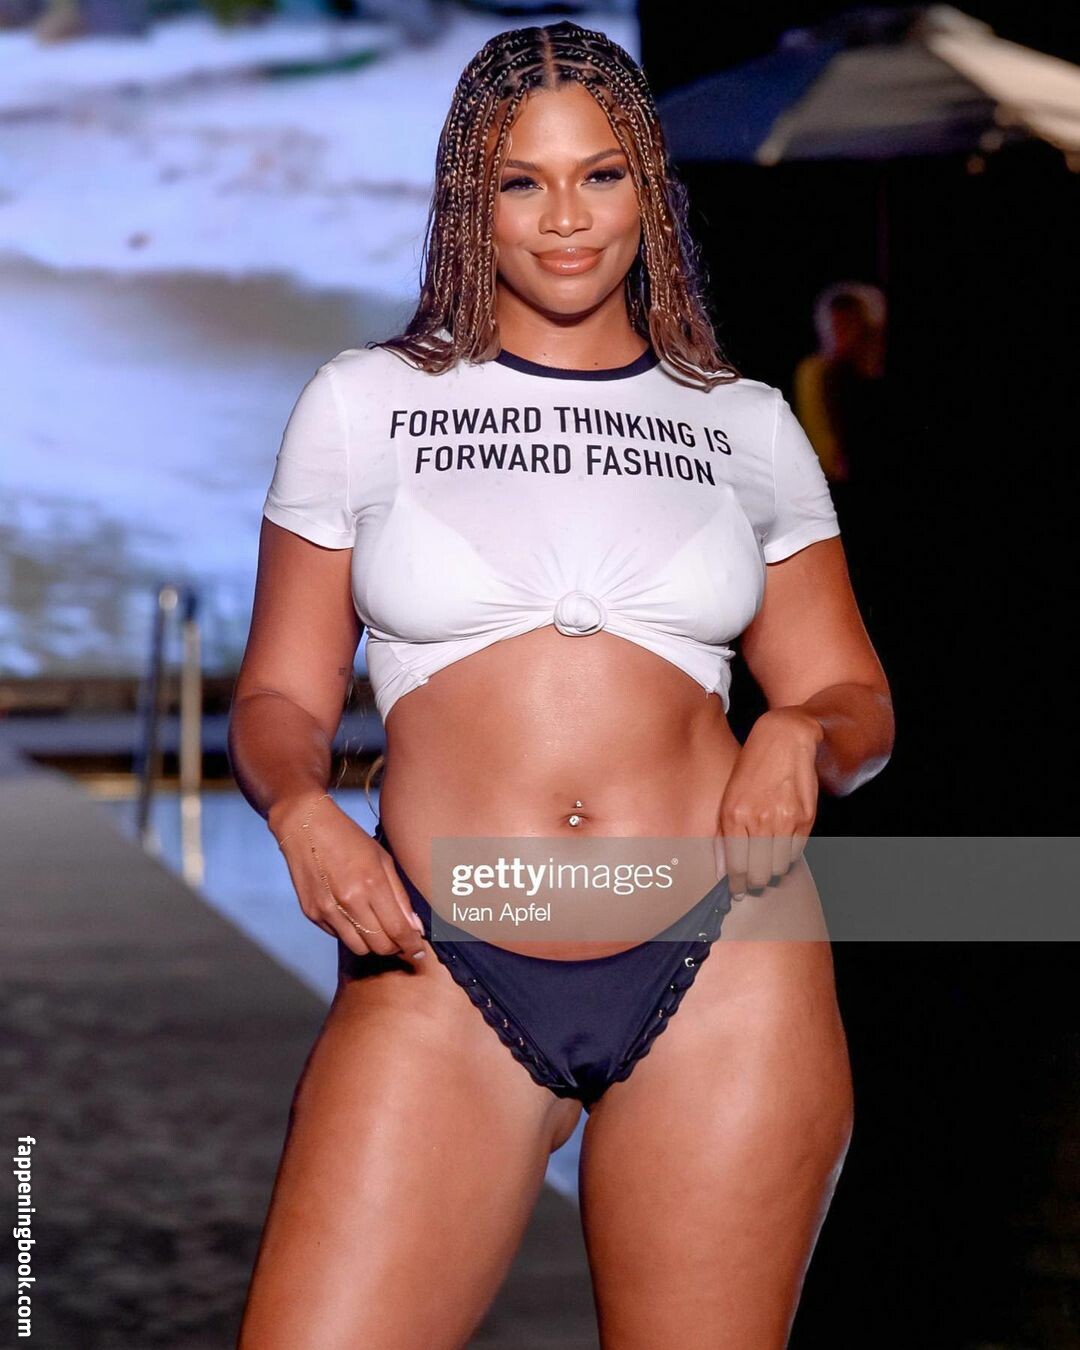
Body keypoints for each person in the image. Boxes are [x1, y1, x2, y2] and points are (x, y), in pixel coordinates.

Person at [228, 21, 894, 1349]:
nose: (566, 218)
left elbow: (853, 698)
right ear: (469, 201)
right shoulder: (364, 404)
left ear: (649, 183)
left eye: (600, 175)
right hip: (442, 952)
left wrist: (801, 736)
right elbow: (279, 700)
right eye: (520, 182)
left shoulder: (743, 423)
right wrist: (301, 813)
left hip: (726, 952)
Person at [793, 281, 888, 487]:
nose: (838, 331)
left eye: (848, 323)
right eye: (834, 323)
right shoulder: (817, 373)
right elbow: (827, 454)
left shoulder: (874, 375)